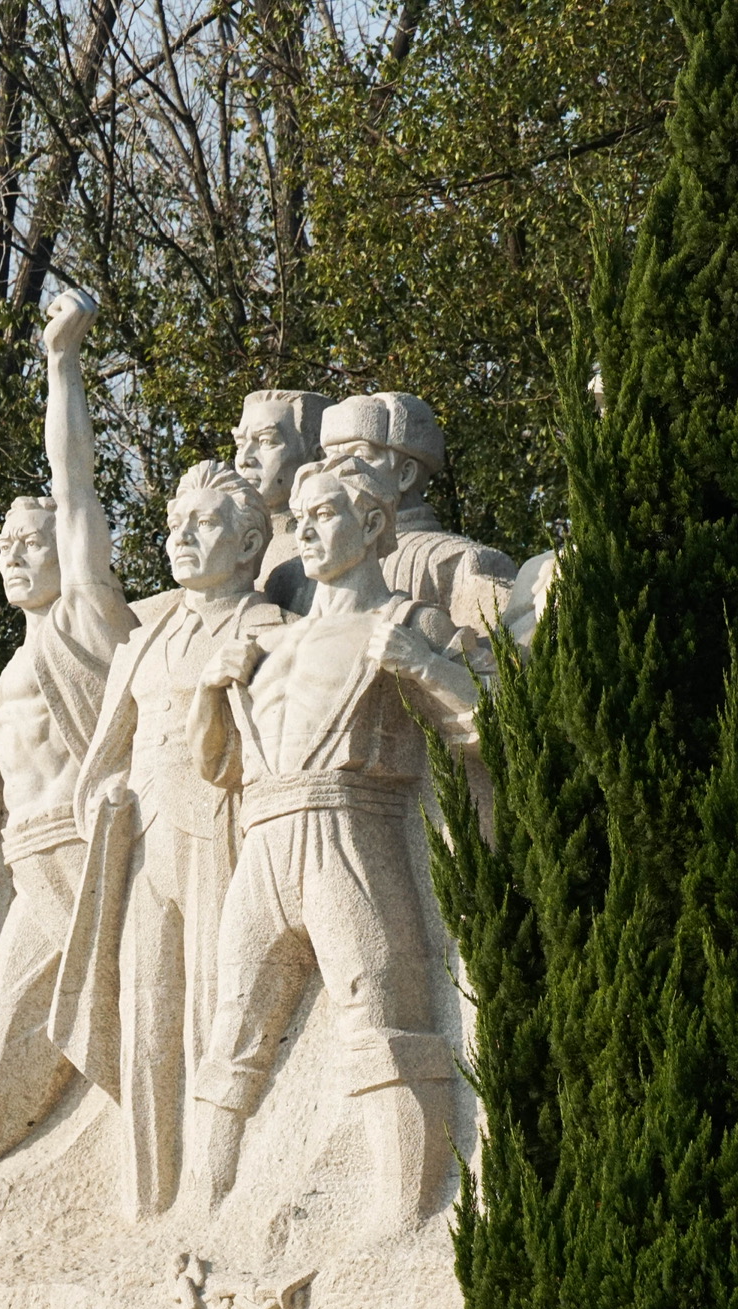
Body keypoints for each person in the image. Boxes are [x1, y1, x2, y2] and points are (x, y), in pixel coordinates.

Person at [185, 451, 482, 1233]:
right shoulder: (272, 644)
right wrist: (211, 694)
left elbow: (487, 724)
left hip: (351, 831)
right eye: (303, 517)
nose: (307, 532)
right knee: (231, 1035)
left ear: (373, 522)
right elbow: (217, 767)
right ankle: (202, 1213)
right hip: (264, 839)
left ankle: (403, 1216)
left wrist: (424, 666)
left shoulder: (408, 624)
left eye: (325, 515)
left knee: (383, 1021)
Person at [0, 288, 135, 1194]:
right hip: (30, 860)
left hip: (87, 852)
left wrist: (61, 363)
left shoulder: (86, 620)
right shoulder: (11, 667)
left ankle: (156, 1164)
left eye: (31, 543)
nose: (12, 555)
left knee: (110, 1018)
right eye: (4, 545)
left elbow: (73, 479)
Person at [55, 460, 277, 1220]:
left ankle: (214, 1190)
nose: (180, 537)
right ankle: (150, 1197)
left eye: (204, 523)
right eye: (175, 524)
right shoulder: (145, 639)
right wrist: (104, 793)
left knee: (218, 1006)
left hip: (219, 826)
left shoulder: (267, 627)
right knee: (145, 1020)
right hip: (143, 842)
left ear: (249, 544)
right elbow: (106, 754)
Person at [314, 394, 517, 634]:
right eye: (330, 459)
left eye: (360, 457)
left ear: (405, 474)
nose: (336, 472)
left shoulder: (459, 561)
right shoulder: (309, 564)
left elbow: (501, 651)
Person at [231, 388, 331, 612]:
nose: (244, 459)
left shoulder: (329, 546)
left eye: (266, 442)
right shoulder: (222, 541)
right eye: (240, 444)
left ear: (317, 456)